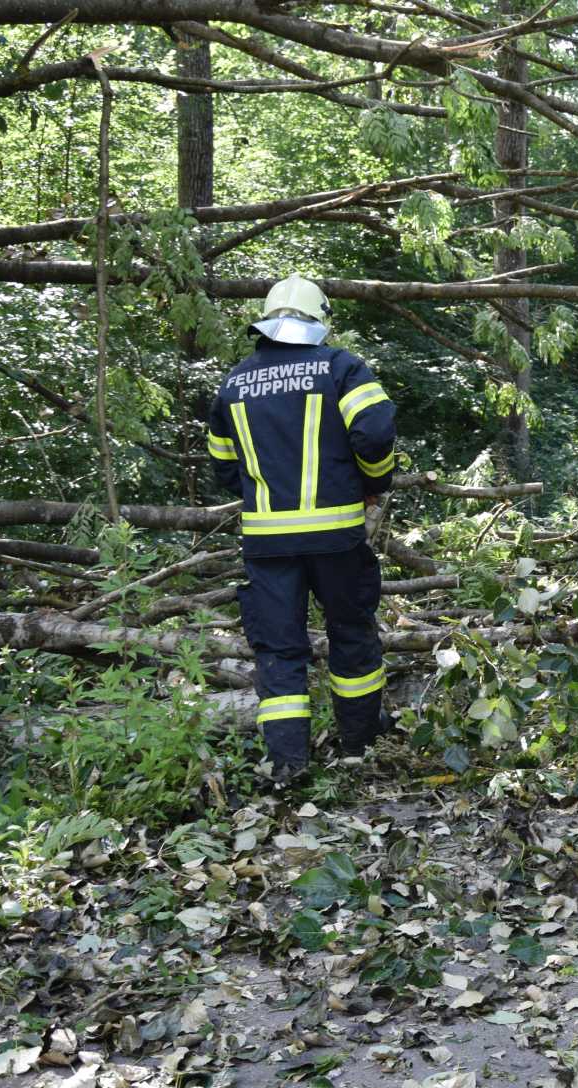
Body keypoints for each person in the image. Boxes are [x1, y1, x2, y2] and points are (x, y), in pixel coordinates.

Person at [205, 275, 397, 784]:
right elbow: (375, 432)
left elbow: (224, 465)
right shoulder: (340, 367)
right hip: (337, 537)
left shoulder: (235, 382)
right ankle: (357, 745)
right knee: (351, 633)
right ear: (319, 319)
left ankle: (288, 762)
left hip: (267, 543)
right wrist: (373, 483)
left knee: (279, 649)